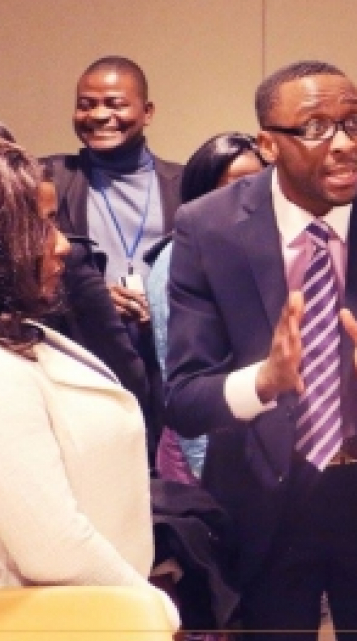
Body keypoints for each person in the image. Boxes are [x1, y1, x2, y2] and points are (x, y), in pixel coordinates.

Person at [163, 60, 357, 640]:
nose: (345, 144)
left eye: (355, 123)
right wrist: (263, 382)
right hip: (261, 504)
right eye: (317, 128)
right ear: (269, 144)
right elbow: (185, 397)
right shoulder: (209, 228)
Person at [0, 133, 154, 588]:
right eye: (42, 225)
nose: (64, 246)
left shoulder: (16, 333)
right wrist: (151, 611)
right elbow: (56, 551)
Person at [43, 56, 183, 464]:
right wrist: (95, 294)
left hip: (165, 360)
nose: (100, 115)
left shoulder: (186, 185)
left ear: (147, 111)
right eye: (86, 104)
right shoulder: (50, 177)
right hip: (84, 358)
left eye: (115, 103)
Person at [146, 132, 268, 484]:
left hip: (249, 447)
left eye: (261, 182)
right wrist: (202, 468)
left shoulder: (259, 249)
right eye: (237, 184)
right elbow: (181, 376)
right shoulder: (175, 259)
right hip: (199, 451)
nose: (253, 194)